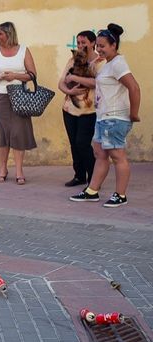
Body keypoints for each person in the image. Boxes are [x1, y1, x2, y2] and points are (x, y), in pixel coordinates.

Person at [70, 23, 140, 207]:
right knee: (100, 153)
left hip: (115, 117)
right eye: (98, 45)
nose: (98, 49)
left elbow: (134, 87)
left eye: (102, 46)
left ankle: (121, 195)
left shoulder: (118, 64)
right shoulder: (107, 64)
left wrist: (134, 113)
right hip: (103, 117)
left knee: (117, 156)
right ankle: (92, 191)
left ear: (113, 45)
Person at [0, 21, 37, 185]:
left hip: (20, 97)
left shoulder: (24, 50)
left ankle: (19, 170)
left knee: (18, 133)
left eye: (0, 34)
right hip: (1, 98)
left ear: (8, 34)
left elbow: (32, 74)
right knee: (4, 133)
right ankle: (3, 168)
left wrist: (15, 76)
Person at [59, 31, 104, 187]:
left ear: (92, 43)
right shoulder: (73, 59)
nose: (80, 46)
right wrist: (69, 91)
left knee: (82, 143)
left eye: (83, 42)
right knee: (74, 144)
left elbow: (97, 83)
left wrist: (74, 78)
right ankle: (79, 175)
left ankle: (93, 177)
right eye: (78, 43)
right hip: (69, 108)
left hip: (89, 110)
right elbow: (61, 82)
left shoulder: (101, 62)